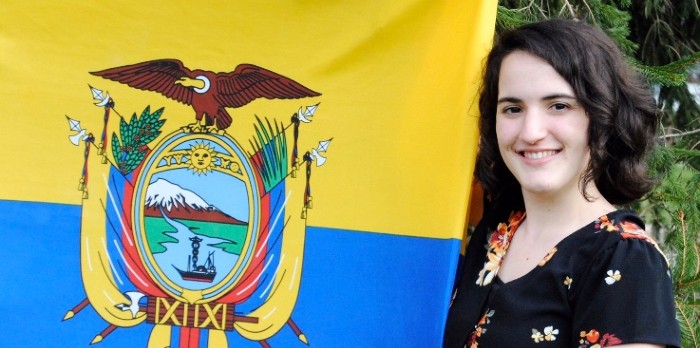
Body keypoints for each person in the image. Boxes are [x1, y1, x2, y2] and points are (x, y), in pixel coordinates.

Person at [443, 19, 681, 348]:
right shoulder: (497, 229)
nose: (530, 132)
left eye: (558, 106)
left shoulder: (623, 259)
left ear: (603, 117)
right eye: (512, 109)